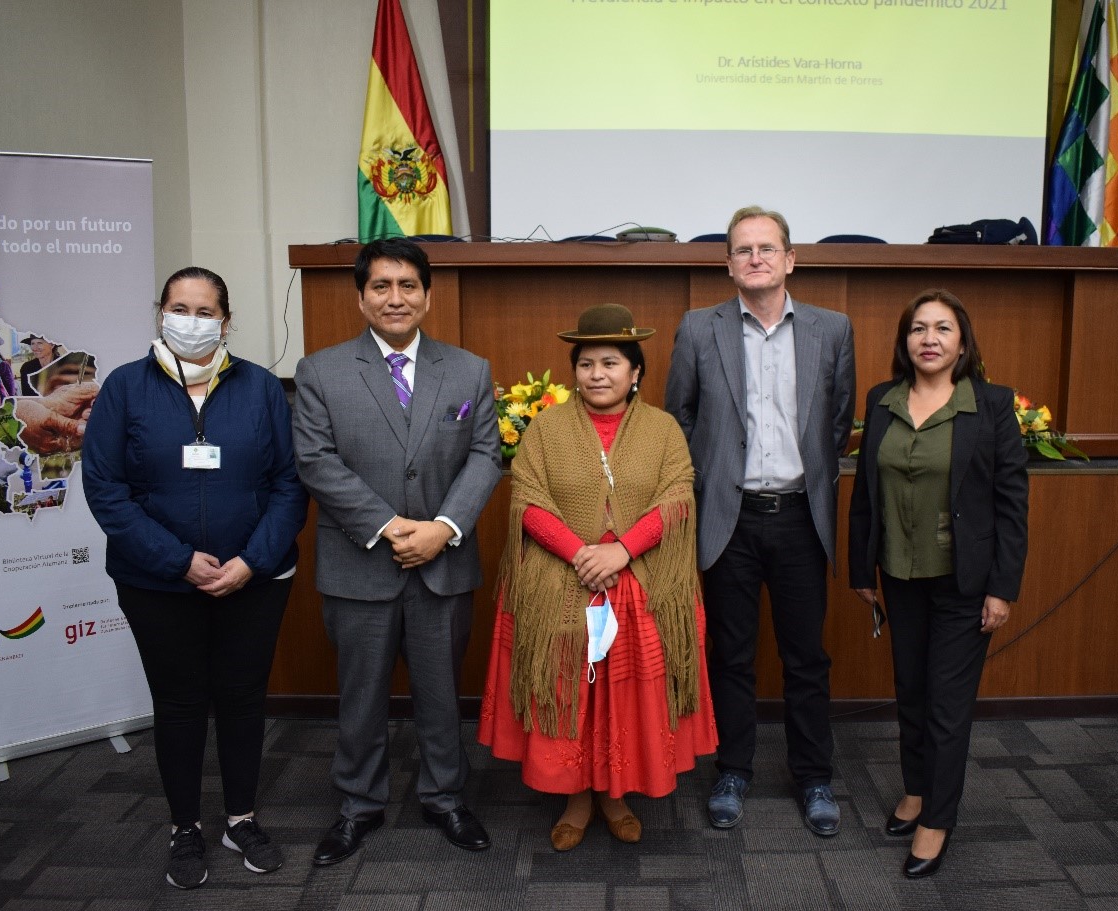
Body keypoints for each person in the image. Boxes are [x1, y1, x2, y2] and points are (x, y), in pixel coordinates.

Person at [81, 266, 308, 889]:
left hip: (254, 578)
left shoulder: (261, 387)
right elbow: (104, 488)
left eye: (205, 311)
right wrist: (177, 560)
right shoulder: (125, 388)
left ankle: (241, 818)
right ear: (160, 312)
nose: (191, 320)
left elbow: (289, 485)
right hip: (157, 582)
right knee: (179, 704)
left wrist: (251, 561)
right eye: (179, 307)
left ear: (225, 321)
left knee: (241, 699)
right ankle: (186, 827)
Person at [479, 304, 717, 851]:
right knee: (572, 691)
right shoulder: (548, 428)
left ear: (636, 372)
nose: (598, 374)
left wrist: (623, 551)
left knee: (622, 696)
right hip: (561, 582)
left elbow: (678, 496)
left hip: (639, 586)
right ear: (575, 371)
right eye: (586, 363)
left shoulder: (662, 430)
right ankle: (576, 798)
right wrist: (580, 552)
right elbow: (528, 499)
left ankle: (615, 794)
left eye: (611, 362)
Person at [293, 236, 500, 862]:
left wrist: (442, 527)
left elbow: (486, 455)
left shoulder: (468, 369)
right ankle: (359, 805)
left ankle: (446, 797)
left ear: (428, 296)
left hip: (444, 561)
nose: (396, 297)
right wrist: (389, 527)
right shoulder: (321, 371)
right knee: (361, 695)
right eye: (381, 286)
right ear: (361, 298)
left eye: (408, 285)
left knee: (441, 693)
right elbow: (315, 461)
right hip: (361, 562)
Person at [665, 205, 855, 836]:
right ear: (728, 263)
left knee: (806, 658)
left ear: (790, 259)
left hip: (802, 515)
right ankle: (733, 770)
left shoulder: (833, 329)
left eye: (766, 248)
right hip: (730, 518)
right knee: (732, 655)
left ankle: (814, 776)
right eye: (742, 249)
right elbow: (679, 422)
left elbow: (834, 425)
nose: (755, 258)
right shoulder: (698, 328)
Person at [847, 289, 1028, 878]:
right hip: (899, 575)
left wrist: (1002, 588)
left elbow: (1011, 505)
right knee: (912, 692)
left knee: (948, 706)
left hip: (965, 582)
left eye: (942, 329)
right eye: (918, 328)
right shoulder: (882, 400)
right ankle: (918, 789)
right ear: (904, 341)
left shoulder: (992, 406)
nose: (929, 338)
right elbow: (865, 495)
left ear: (962, 342)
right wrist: (861, 571)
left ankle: (937, 819)